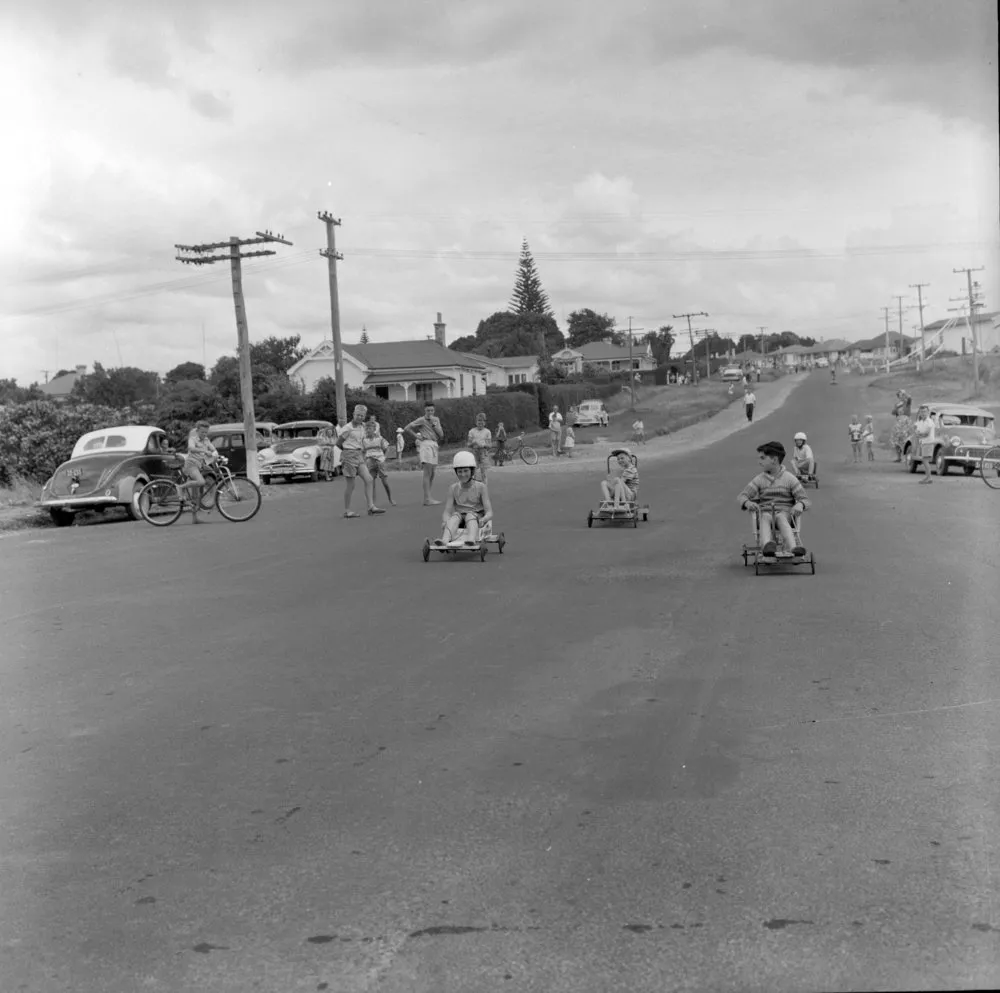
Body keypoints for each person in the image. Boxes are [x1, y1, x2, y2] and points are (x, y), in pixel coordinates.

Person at [738, 441, 810, 557]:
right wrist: (747, 502)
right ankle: (767, 548)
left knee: (780, 517)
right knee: (765, 517)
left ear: (774, 460)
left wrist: (800, 504)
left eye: (762, 458)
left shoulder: (790, 479)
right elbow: (743, 495)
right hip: (766, 513)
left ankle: (793, 549)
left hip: (785, 514)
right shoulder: (759, 479)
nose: (759, 462)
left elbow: (805, 499)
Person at [435, 450, 493, 546]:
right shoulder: (453, 488)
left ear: (472, 471)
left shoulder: (481, 487)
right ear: (456, 472)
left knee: (470, 515)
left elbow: (489, 511)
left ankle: (471, 540)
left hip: (477, 516)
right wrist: (445, 521)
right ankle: (445, 540)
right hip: (461, 517)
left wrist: (484, 519)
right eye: (460, 471)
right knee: (454, 516)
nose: (462, 474)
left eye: (466, 471)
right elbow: (447, 511)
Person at [336, 404, 384, 517]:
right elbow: (338, 443)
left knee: (369, 479)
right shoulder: (348, 428)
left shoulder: (363, 426)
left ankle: (371, 507)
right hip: (349, 454)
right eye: (358, 415)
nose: (360, 417)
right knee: (351, 485)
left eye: (362, 415)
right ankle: (347, 510)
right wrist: (348, 452)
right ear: (353, 414)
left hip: (359, 454)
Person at [404, 401, 445, 505]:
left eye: (431, 410)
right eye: (428, 410)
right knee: (427, 472)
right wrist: (416, 436)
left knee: (433, 473)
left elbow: (441, 434)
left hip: (434, 445)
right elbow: (407, 428)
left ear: (434, 410)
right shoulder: (421, 420)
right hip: (426, 444)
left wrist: (434, 424)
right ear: (425, 410)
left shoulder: (436, 420)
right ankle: (427, 499)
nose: (430, 412)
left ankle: (428, 497)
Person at [182, 420, 221, 524]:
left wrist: (216, 454)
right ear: (197, 431)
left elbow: (213, 449)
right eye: (202, 432)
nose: (204, 434)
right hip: (191, 465)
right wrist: (204, 451)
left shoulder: (206, 440)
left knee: (199, 489)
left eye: (206, 432)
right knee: (199, 484)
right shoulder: (193, 439)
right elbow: (191, 448)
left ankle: (195, 517)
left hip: (200, 465)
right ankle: (181, 488)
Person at [363, 419, 394, 506]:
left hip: (380, 461)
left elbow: (387, 448)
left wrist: (384, 458)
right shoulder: (364, 440)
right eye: (366, 429)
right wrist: (363, 460)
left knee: (385, 482)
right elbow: (362, 451)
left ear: (374, 429)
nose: (367, 430)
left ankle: (390, 498)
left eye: (369, 428)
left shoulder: (380, 438)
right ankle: (373, 504)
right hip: (370, 462)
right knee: (371, 483)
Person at [466, 412, 493, 483]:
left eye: (482, 421)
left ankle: (484, 488)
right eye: (479, 420)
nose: (480, 422)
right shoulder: (472, 431)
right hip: (474, 453)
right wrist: (473, 443)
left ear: (485, 422)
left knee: (483, 473)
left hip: (483, 453)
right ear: (476, 422)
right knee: (473, 472)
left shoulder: (487, 432)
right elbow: (468, 444)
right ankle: (473, 487)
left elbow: (490, 445)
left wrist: (484, 445)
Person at [913, 404, 934, 484]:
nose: (923, 413)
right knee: (924, 460)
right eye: (921, 412)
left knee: (925, 460)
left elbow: (926, 433)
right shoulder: (920, 422)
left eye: (924, 411)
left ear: (928, 412)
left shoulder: (929, 422)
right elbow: (916, 429)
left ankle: (929, 477)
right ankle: (928, 477)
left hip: (928, 442)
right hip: (923, 443)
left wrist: (919, 434)